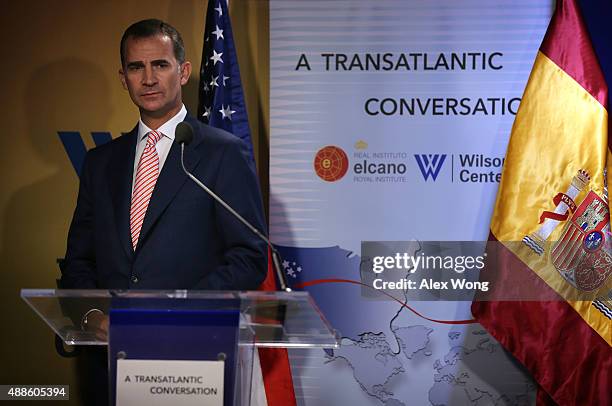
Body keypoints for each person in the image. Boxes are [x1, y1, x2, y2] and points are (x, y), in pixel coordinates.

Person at [60, 19, 268, 404]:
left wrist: (174, 310)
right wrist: (91, 316)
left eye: (161, 64)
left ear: (184, 71)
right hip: (111, 359)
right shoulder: (100, 162)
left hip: (193, 355)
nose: (149, 78)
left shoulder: (223, 153)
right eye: (137, 68)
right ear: (123, 78)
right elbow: (78, 259)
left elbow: (249, 257)